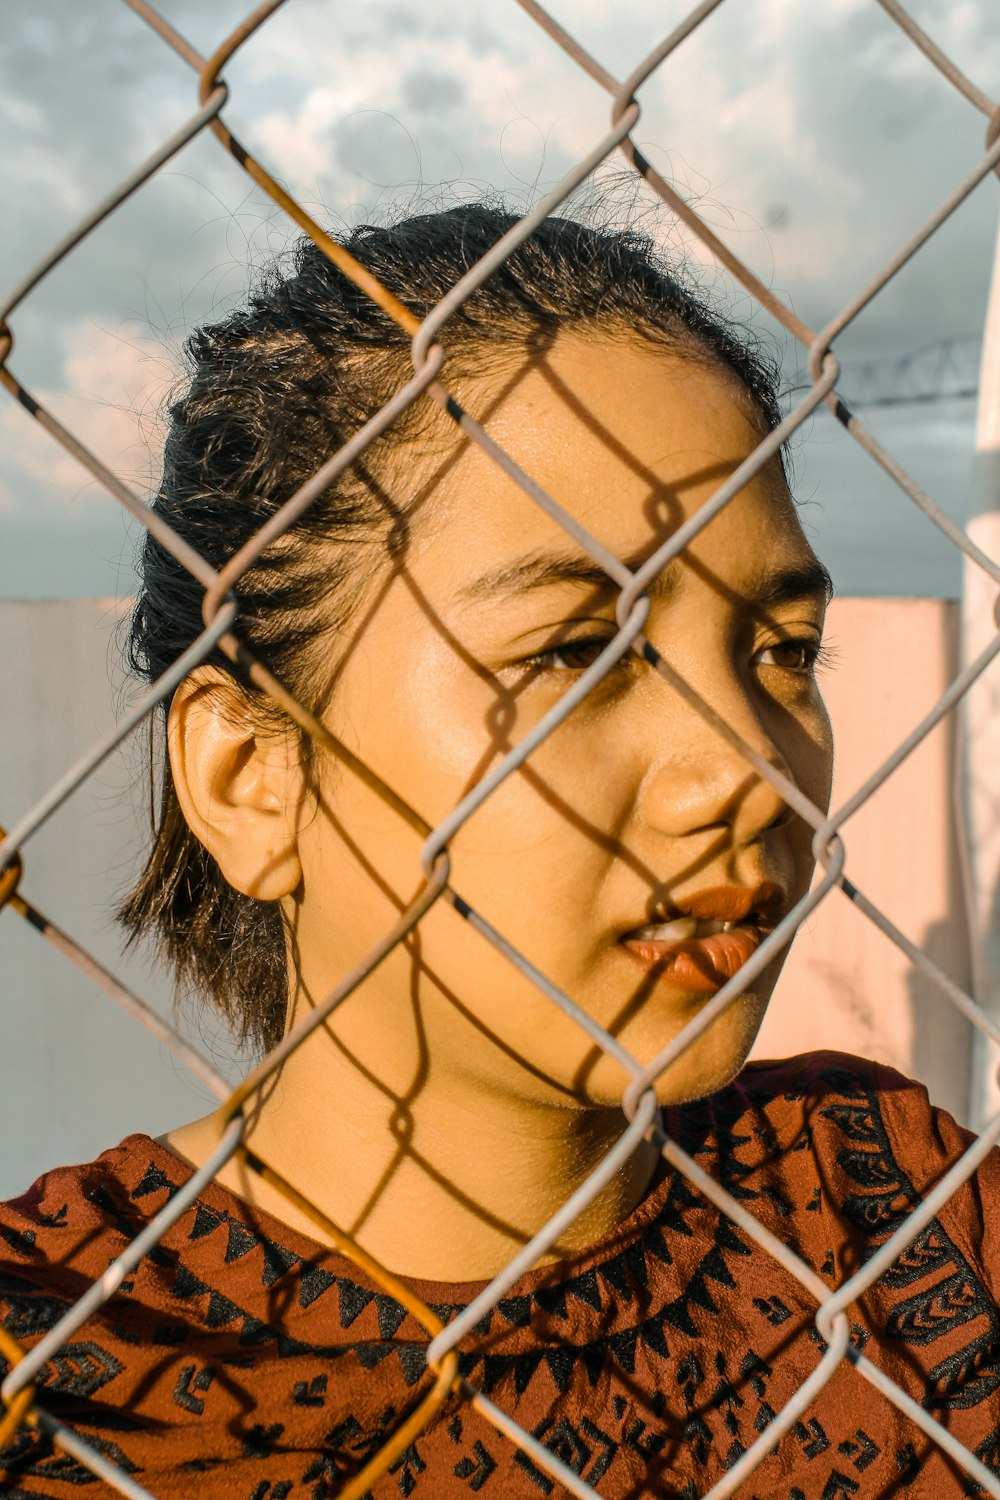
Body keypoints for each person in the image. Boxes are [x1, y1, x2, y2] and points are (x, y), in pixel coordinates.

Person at [2, 202, 999, 1500]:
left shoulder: (896, 1204)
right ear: (254, 775)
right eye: (574, 651)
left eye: (779, 651)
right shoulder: (66, 1365)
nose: (746, 769)